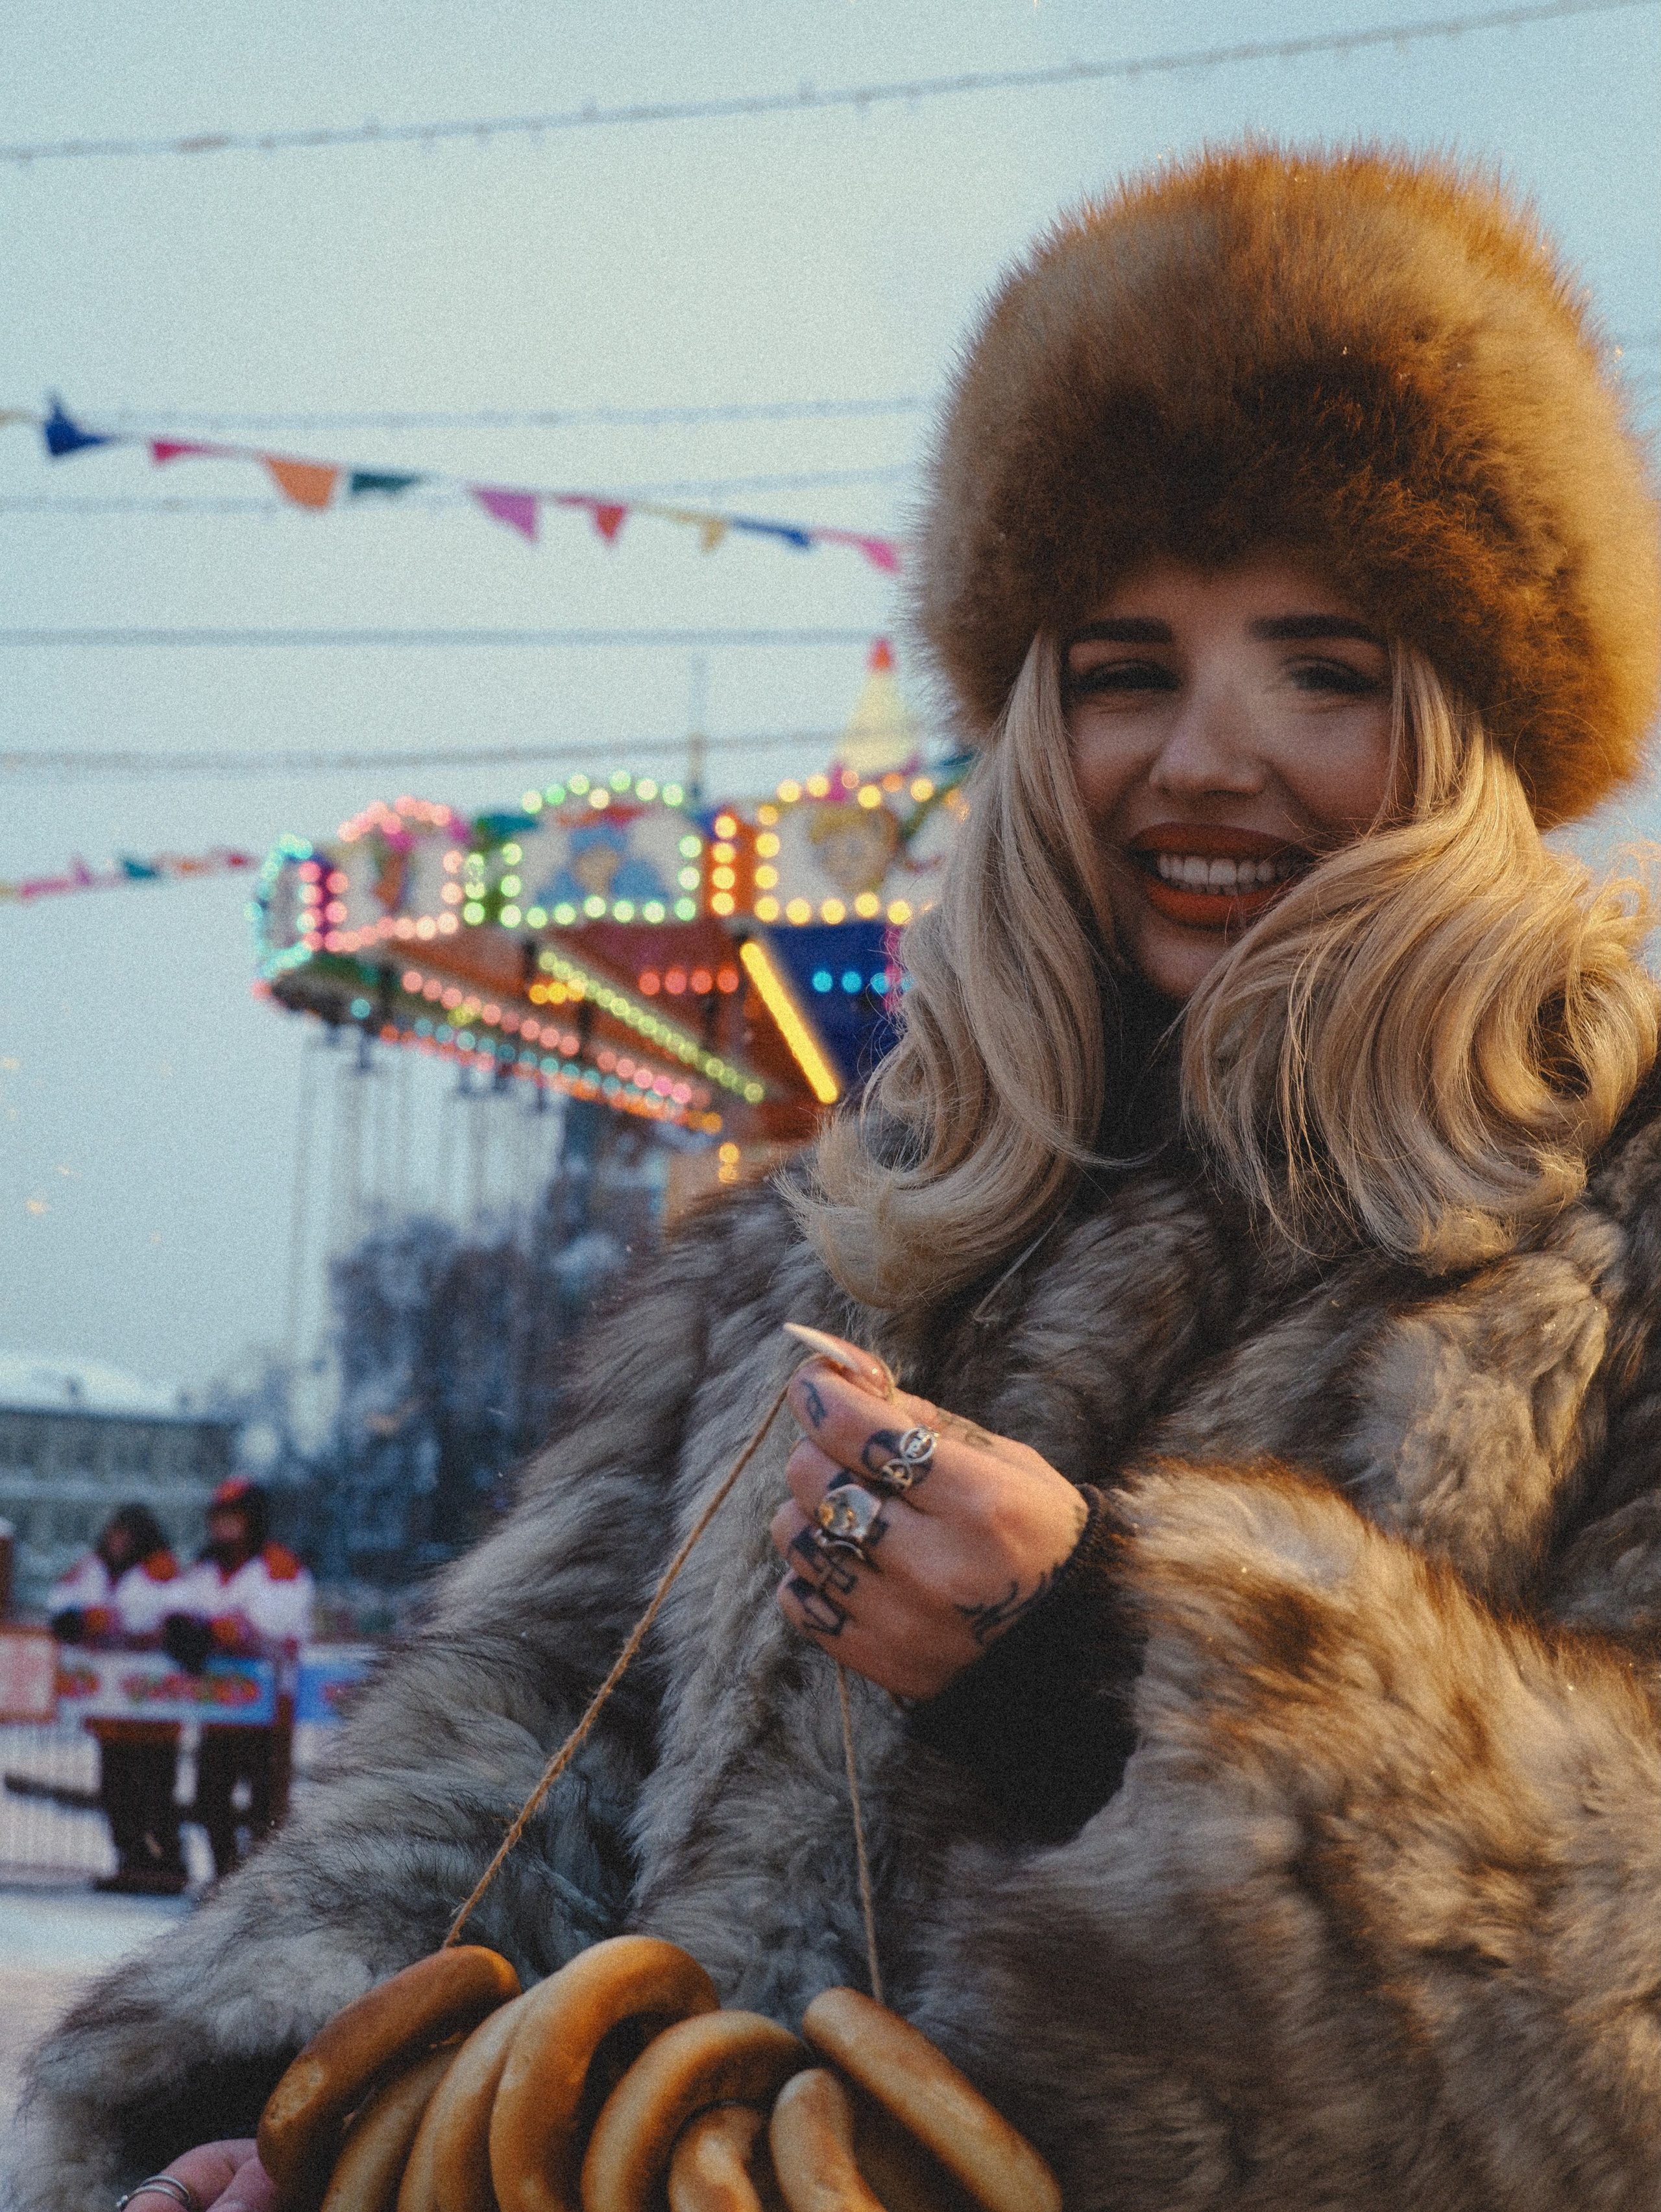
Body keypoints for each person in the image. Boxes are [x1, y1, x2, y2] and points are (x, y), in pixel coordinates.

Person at [11, 143, 1661, 2212]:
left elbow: (1613, 2016)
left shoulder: (1615, 1237)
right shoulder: (818, 1253)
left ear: (1475, 727)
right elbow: (521, 1768)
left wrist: (1099, 1665)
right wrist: (287, 2107)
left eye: (1322, 669)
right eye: (1125, 669)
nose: (1201, 756)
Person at [161, 1479, 314, 1880]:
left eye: (233, 1518)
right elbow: (175, 1606)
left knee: (267, 1806)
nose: (223, 1526)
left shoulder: (278, 1565)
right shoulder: (204, 1567)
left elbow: (273, 1620)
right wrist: (182, 1628)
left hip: (269, 1711)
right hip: (220, 1709)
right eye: (218, 1518)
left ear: (252, 1520)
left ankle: (264, 1889)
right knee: (210, 1799)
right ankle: (225, 1880)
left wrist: (215, 1630)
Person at [47, 1504, 190, 1896]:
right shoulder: (92, 1568)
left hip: (154, 1710)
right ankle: (131, 1862)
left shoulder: (162, 1569)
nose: (118, 1541)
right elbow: (61, 1599)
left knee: (157, 1793)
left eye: (127, 1534)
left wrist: (106, 1620)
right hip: (111, 1709)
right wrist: (80, 1620)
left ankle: (169, 1865)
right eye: (114, 1533)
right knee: (115, 1791)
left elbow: (173, 1615)